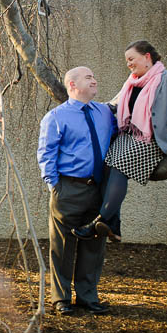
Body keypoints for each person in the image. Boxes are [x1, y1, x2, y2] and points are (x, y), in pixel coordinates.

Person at [71, 40, 167, 243]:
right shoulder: (131, 83)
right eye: (126, 61)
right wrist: (81, 109)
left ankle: (100, 221)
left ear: (147, 57)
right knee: (107, 163)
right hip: (130, 137)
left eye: (131, 59)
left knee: (119, 164)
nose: (128, 64)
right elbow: (111, 106)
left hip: (155, 140)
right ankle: (113, 227)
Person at [37, 66, 117, 316]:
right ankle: (61, 299)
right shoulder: (56, 117)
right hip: (68, 188)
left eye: (94, 76)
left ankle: (87, 297)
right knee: (62, 246)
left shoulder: (104, 112)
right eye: (89, 77)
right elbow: (46, 154)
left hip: (98, 189)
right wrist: (54, 186)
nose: (95, 80)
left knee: (94, 243)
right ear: (72, 85)